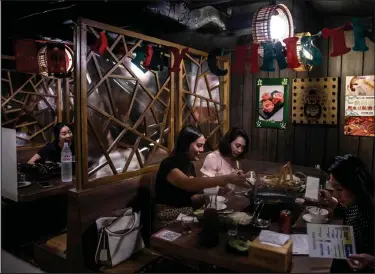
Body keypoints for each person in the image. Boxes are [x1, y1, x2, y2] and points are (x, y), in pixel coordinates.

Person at [155, 125, 249, 227]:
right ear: (186, 144)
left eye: (203, 145)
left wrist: (205, 197)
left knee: (222, 222)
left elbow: (189, 197)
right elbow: (188, 184)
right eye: (199, 145)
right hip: (168, 215)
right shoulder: (168, 164)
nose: (202, 149)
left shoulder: (189, 165)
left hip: (186, 213)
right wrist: (227, 178)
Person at [319, 154, 374, 273]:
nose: (335, 195)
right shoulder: (357, 201)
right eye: (333, 188)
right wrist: (332, 201)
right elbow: (349, 211)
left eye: (339, 189)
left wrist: (372, 261)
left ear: (354, 185)